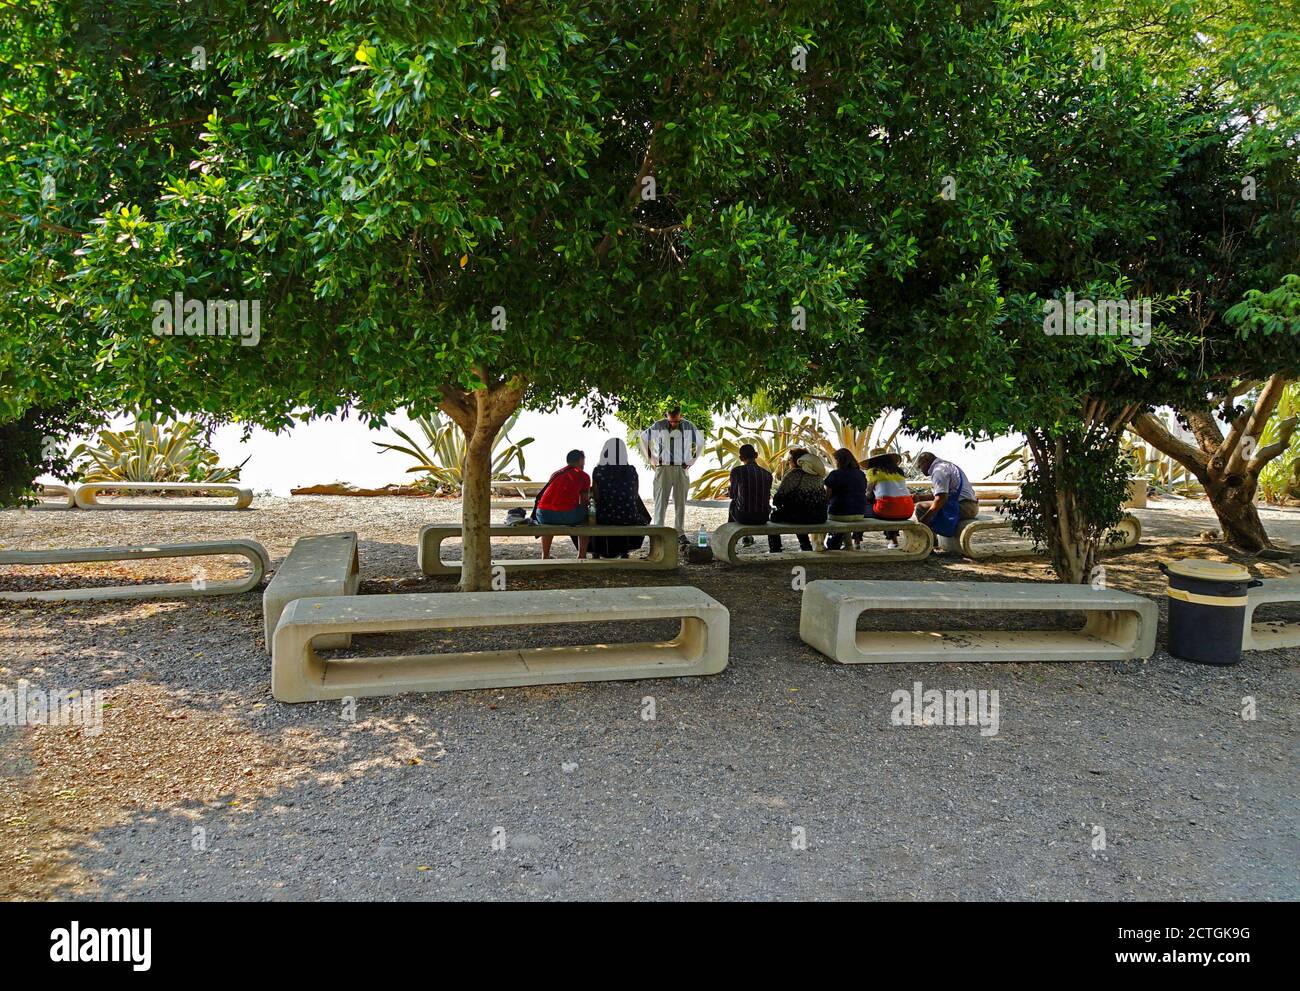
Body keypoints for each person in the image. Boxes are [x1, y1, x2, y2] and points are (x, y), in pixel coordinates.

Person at [640, 406, 704, 535]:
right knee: (660, 502)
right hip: (663, 467)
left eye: (676, 421)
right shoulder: (659, 425)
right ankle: (658, 531)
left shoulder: (688, 426)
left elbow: (701, 442)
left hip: (682, 467)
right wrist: (651, 457)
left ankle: (679, 532)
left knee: (680, 502)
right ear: (666, 416)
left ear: (680, 416)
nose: (673, 424)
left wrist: (692, 460)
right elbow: (643, 437)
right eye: (671, 421)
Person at [589, 438, 650, 559]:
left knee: (592, 515)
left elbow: (597, 497)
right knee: (643, 516)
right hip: (628, 516)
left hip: (606, 517)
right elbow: (634, 495)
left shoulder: (598, 471)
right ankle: (624, 550)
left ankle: (596, 550)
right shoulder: (631, 470)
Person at [535, 449, 591, 559]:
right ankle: (582, 555)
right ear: (580, 460)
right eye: (584, 460)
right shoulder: (583, 476)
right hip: (566, 515)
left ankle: (545, 555)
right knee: (587, 518)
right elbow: (584, 501)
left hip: (542, 514)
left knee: (549, 524)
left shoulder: (556, 474)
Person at [913, 450, 979, 542]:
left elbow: (941, 498)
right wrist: (920, 497)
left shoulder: (938, 471)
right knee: (926, 506)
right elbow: (942, 493)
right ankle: (932, 540)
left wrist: (924, 520)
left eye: (920, 467)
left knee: (920, 508)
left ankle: (928, 543)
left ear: (925, 462)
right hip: (971, 505)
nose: (921, 471)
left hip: (965, 507)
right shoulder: (946, 466)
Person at [769, 449, 828, 551]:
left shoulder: (793, 474)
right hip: (820, 516)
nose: (789, 461)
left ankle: (775, 549)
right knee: (799, 510)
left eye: (790, 459)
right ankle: (805, 545)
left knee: (774, 516)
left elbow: (778, 498)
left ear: (797, 460)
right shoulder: (817, 475)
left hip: (801, 516)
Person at [726, 443, 781, 553]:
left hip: (743, 517)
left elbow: (733, 495)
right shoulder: (767, 474)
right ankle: (776, 548)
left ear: (741, 458)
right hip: (763, 517)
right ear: (756, 455)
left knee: (733, 503)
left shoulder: (737, 471)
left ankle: (730, 545)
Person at [863, 448, 916, 549]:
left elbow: (869, 494)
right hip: (908, 510)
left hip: (886, 511)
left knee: (863, 508)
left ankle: (856, 541)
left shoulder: (873, 472)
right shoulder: (899, 472)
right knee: (891, 505)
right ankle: (894, 541)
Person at [823, 448, 869, 550]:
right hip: (860, 513)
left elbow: (827, 497)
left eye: (836, 460)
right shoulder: (861, 474)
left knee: (826, 514)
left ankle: (821, 544)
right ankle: (848, 544)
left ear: (840, 460)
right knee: (846, 512)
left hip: (839, 514)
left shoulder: (835, 474)